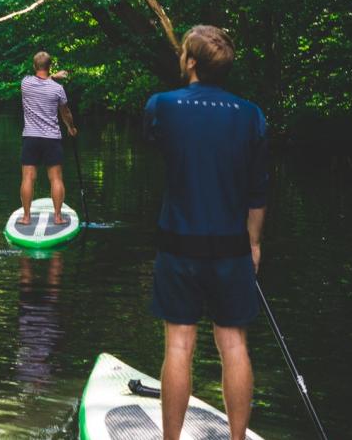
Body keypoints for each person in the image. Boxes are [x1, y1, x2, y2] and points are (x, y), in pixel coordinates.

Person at [143, 25, 269, 440]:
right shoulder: (251, 114)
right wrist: (253, 243)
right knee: (234, 345)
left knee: (179, 345)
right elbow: (257, 192)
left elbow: (158, 145)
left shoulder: (161, 105)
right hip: (231, 247)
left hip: (178, 246)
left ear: (192, 62)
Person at [19, 51, 78, 226]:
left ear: (34, 66)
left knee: (28, 177)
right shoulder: (57, 89)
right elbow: (65, 112)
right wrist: (71, 128)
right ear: (50, 66)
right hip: (51, 138)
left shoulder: (25, 83)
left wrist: (52, 76)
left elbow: (41, 79)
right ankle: (58, 217)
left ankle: (26, 217)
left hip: (30, 137)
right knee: (56, 178)